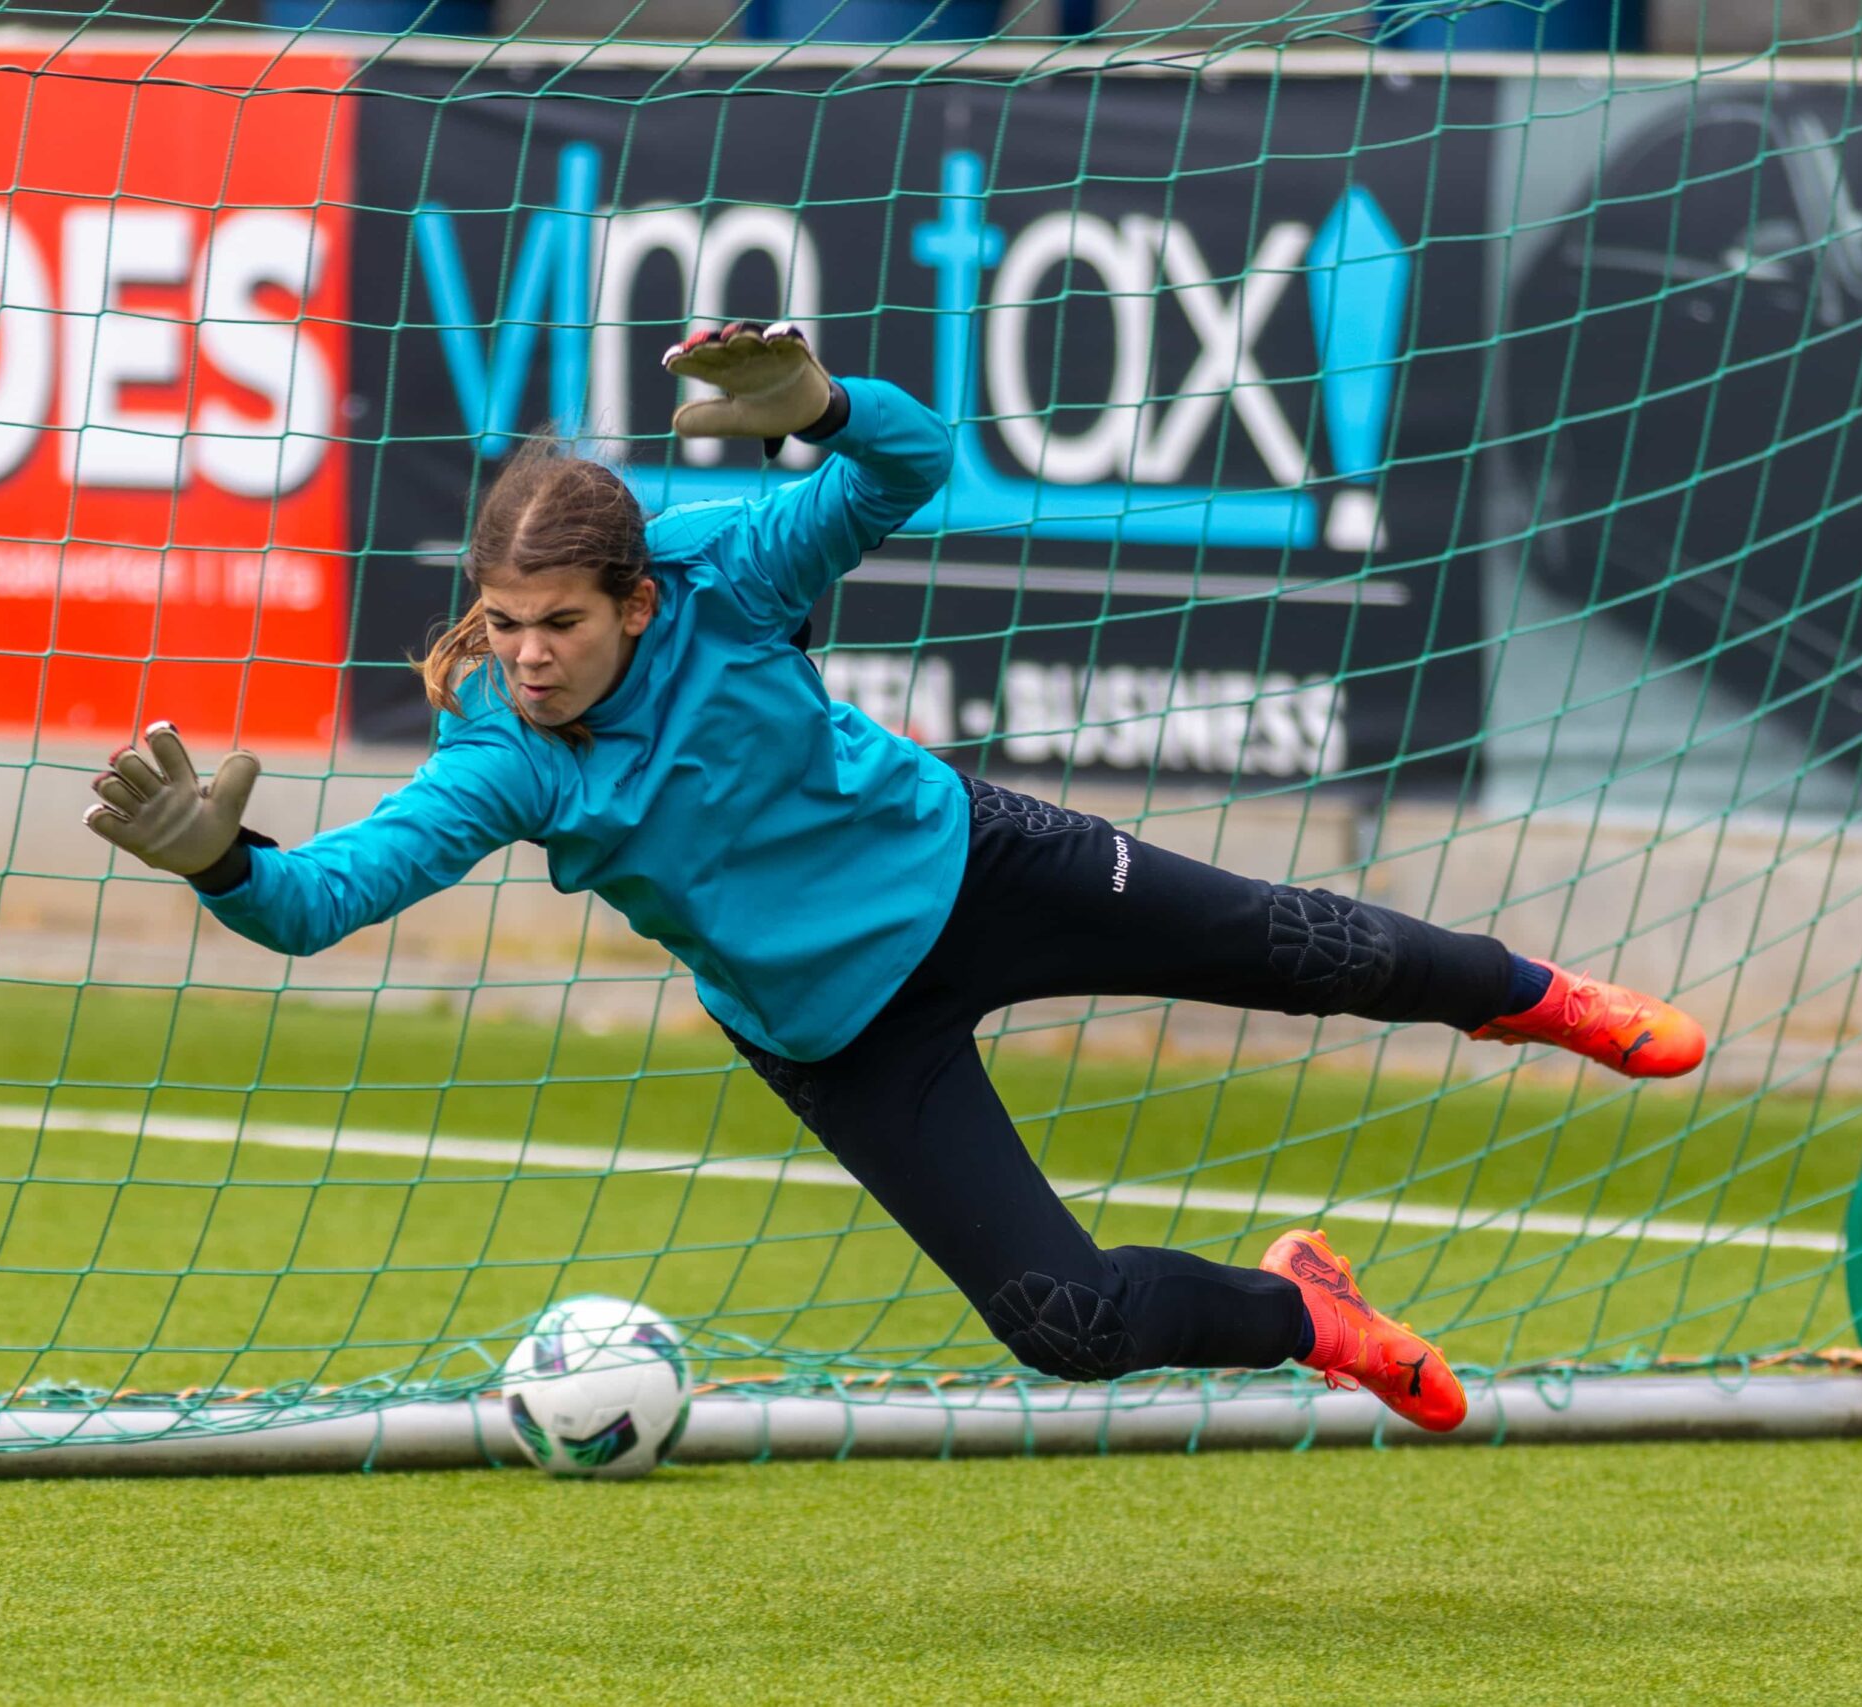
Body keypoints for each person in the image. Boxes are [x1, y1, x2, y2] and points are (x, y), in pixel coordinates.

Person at [84, 321, 1707, 1433]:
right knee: (1065, 1331)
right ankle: (1314, 1315)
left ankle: (1538, 1000)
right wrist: (219, 858)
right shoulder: (505, 756)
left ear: (636, 601)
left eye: (559, 624)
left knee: (1302, 948)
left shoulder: (725, 573)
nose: (527, 657)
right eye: (504, 627)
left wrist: (823, 403)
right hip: (841, 1035)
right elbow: (318, 903)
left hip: (978, 868)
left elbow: (907, 469)